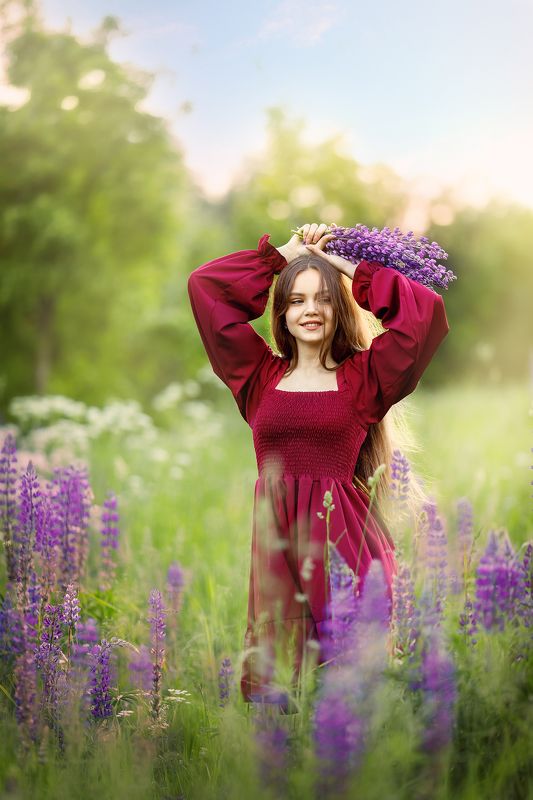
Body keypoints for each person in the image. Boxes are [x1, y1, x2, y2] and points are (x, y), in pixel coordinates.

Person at [187, 221, 450, 711]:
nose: (310, 310)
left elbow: (425, 317)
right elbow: (206, 290)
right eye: (297, 300)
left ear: (338, 308)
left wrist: (347, 266)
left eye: (323, 299)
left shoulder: (363, 379)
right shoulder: (257, 378)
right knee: (284, 702)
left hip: (349, 559)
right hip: (280, 557)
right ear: (282, 313)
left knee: (354, 703)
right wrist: (282, 256)